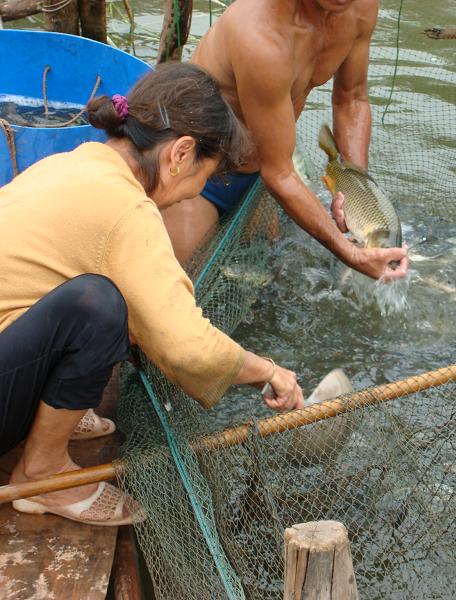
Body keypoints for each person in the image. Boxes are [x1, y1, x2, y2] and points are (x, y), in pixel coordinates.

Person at [0, 63, 303, 526]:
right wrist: (268, 370)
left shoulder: (71, 162)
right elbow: (185, 346)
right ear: (181, 153)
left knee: (106, 299)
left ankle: (54, 416)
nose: (192, 195)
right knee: (99, 304)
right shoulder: (127, 209)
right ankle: (42, 472)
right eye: (206, 175)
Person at [160, 0, 409, 280]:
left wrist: (354, 192)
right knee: (185, 287)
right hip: (193, 176)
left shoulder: (360, 8)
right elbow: (279, 173)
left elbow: (351, 99)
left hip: (261, 170)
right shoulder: (261, 33)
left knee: (270, 275)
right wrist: (351, 254)